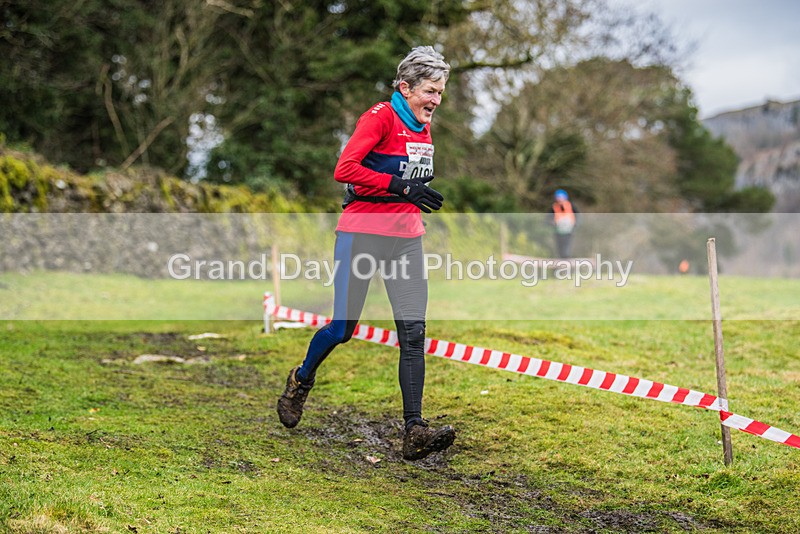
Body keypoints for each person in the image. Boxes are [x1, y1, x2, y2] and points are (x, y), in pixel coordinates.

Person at [277, 46, 456, 461]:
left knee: (413, 333)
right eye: (430, 91)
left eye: (440, 93)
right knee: (343, 328)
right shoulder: (380, 117)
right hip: (362, 235)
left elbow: (407, 173)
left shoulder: (424, 126)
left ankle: (415, 429)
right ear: (405, 87)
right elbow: (345, 169)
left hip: (407, 239)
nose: (436, 101)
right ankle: (301, 381)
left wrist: (413, 188)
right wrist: (399, 186)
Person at [548, 189, 579, 259]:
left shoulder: (571, 205)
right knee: (559, 246)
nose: (559, 199)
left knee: (567, 245)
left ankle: (566, 257)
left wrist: (576, 223)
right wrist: (551, 223)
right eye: (558, 197)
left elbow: (577, 215)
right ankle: (561, 258)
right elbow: (549, 218)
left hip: (569, 229)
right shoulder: (554, 207)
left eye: (561, 197)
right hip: (557, 229)